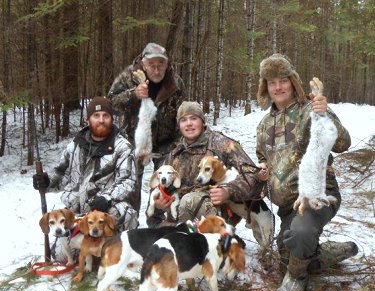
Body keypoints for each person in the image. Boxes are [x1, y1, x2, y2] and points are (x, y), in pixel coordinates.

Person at [255, 54, 358, 291]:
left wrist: (327, 114)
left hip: (316, 196)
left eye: (283, 81)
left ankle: (296, 278)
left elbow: (344, 143)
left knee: (300, 237)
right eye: (271, 82)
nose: (278, 87)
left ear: (293, 81)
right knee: (286, 255)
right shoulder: (264, 123)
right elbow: (262, 156)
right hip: (288, 206)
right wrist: (261, 169)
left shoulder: (311, 109)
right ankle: (334, 251)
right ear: (265, 87)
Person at [147, 101, 273, 253]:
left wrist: (228, 191)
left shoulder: (221, 143)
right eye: (183, 120)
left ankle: (218, 243)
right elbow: (161, 183)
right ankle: (193, 239)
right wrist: (159, 202)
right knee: (153, 211)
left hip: (216, 207)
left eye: (193, 118)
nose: (189, 124)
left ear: (202, 121)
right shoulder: (174, 152)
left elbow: (252, 175)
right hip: (182, 210)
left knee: (190, 201)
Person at [33, 96, 138, 233]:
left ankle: (115, 248)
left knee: (126, 213)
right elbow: (61, 174)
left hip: (105, 211)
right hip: (76, 213)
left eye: (105, 115)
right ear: (88, 119)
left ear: (111, 119)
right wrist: (46, 182)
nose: (101, 120)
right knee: (60, 253)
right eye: (96, 115)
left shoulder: (123, 147)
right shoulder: (75, 145)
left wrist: (106, 198)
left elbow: (128, 181)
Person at [108, 42, 185, 212]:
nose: (157, 70)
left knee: (165, 184)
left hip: (166, 141)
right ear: (143, 63)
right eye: (152, 65)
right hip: (133, 140)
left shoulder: (175, 82)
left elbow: (182, 116)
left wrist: (178, 147)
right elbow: (110, 105)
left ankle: (156, 222)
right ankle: (129, 222)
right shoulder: (128, 77)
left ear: (167, 64)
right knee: (129, 184)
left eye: (161, 65)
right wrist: (133, 95)